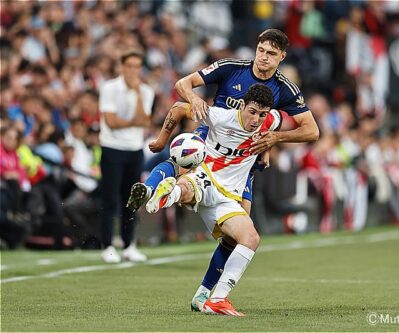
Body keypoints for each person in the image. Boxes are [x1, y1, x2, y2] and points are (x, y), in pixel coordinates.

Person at [127, 29, 319, 310]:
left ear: (282, 57)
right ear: (256, 48)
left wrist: (272, 142)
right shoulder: (231, 68)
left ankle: (205, 294)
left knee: (239, 235)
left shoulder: (285, 90)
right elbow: (184, 85)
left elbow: (310, 131)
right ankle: (157, 190)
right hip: (213, 134)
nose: (264, 58)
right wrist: (192, 100)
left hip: (244, 162)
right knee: (186, 158)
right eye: (261, 50)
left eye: (271, 54)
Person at [147, 84, 281, 316]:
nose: (256, 119)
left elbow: (296, 127)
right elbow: (179, 108)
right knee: (190, 186)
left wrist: (270, 143)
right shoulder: (220, 116)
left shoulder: (270, 120)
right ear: (241, 105)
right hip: (207, 175)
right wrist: (161, 140)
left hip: (229, 197)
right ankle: (167, 196)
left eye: (262, 114)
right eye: (252, 112)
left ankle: (215, 299)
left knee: (249, 239)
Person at [99, 50, 154, 263]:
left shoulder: (146, 91)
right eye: (129, 66)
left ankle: (129, 245)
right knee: (110, 198)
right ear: (122, 67)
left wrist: (138, 94)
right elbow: (111, 121)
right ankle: (108, 246)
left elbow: (146, 122)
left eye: (137, 66)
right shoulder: (110, 88)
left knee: (132, 198)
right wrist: (135, 121)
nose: (133, 70)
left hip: (134, 148)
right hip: (112, 147)